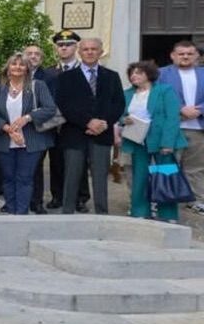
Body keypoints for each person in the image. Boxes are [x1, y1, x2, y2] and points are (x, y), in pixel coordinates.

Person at [55, 37, 125, 214]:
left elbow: (118, 104)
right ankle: (68, 212)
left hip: (102, 135)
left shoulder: (112, 76)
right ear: (79, 52)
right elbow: (64, 104)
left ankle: (102, 214)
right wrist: (87, 122)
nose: (90, 52)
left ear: (101, 52)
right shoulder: (66, 77)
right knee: (72, 176)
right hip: (74, 134)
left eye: (94, 49)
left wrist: (103, 123)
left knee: (100, 177)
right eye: (85, 49)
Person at [0, 53, 57, 215]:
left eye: (22, 64)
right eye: (14, 64)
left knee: (25, 179)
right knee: (7, 179)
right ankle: (11, 211)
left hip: (30, 141)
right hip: (5, 140)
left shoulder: (37, 86)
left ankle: (21, 214)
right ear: (8, 68)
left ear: (27, 68)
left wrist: (27, 118)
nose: (17, 67)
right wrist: (7, 128)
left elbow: (50, 109)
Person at [120, 61, 186, 221]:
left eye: (138, 73)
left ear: (149, 75)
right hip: (137, 140)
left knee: (165, 176)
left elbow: (172, 117)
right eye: (132, 73)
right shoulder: (128, 93)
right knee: (139, 176)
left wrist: (168, 143)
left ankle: (168, 214)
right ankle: (140, 211)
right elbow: (120, 114)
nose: (134, 76)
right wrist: (124, 120)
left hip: (162, 140)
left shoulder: (164, 91)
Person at [158, 40, 204, 214]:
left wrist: (199, 110)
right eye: (181, 53)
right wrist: (180, 108)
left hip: (198, 128)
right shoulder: (161, 74)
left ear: (197, 56)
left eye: (189, 53)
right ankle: (165, 198)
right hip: (171, 128)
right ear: (173, 56)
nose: (185, 56)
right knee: (167, 164)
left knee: (197, 167)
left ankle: (196, 200)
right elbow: (156, 95)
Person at [48, 30, 90, 211]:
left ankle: (80, 197)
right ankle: (57, 195)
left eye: (68, 45)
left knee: (79, 163)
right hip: (55, 125)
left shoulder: (84, 70)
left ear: (76, 47)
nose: (64, 48)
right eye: (60, 45)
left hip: (77, 125)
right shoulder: (50, 72)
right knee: (56, 161)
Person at [24, 43, 58, 214]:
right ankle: (18, 199)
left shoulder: (50, 76)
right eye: (29, 53)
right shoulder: (15, 73)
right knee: (20, 166)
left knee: (36, 166)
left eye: (37, 53)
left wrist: (33, 116)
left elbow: (53, 104)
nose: (33, 56)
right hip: (19, 129)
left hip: (40, 128)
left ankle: (36, 201)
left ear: (42, 58)